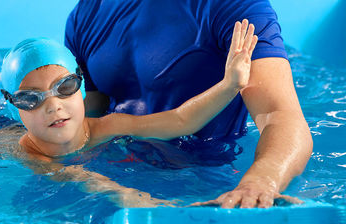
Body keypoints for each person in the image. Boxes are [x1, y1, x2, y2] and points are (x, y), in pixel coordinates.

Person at [64, 0, 313, 208]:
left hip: (201, 182)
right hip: (109, 181)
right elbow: (92, 109)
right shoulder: (85, 14)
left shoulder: (234, 7)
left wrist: (259, 183)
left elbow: (279, 115)